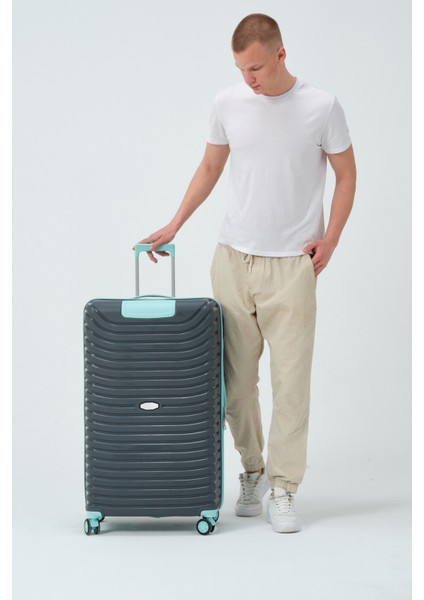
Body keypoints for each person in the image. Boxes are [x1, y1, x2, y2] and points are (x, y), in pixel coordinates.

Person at [136, 13, 356, 533]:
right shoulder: (227, 103)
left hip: (292, 265)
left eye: (255, 67)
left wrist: (330, 240)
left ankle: (284, 487)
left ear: (281, 53)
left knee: (290, 383)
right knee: (235, 385)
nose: (248, 78)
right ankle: (253, 470)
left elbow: (347, 176)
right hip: (233, 259)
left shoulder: (322, 106)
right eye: (240, 69)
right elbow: (210, 167)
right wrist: (175, 223)